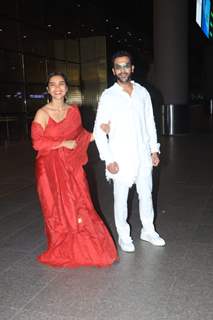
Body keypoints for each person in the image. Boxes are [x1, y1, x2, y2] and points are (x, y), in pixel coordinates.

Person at [31, 71, 118, 267]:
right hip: (49, 170)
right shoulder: (42, 113)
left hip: (71, 166)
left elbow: (81, 138)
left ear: (66, 88)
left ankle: (86, 248)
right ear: (47, 89)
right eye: (52, 85)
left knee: (81, 203)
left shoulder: (73, 112)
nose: (57, 88)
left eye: (61, 84)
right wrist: (62, 143)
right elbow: (37, 142)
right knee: (56, 209)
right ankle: (61, 247)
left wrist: (102, 131)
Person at [93, 51, 166, 253]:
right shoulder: (108, 96)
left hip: (143, 153)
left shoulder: (143, 92)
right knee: (121, 199)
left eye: (126, 65)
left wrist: (154, 150)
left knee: (146, 194)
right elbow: (99, 131)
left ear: (132, 68)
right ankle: (124, 236)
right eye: (118, 66)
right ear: (113, 70)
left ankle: (148, 230)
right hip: (120, 156)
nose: (123, 69)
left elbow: (150, 123)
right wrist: (108, 159)